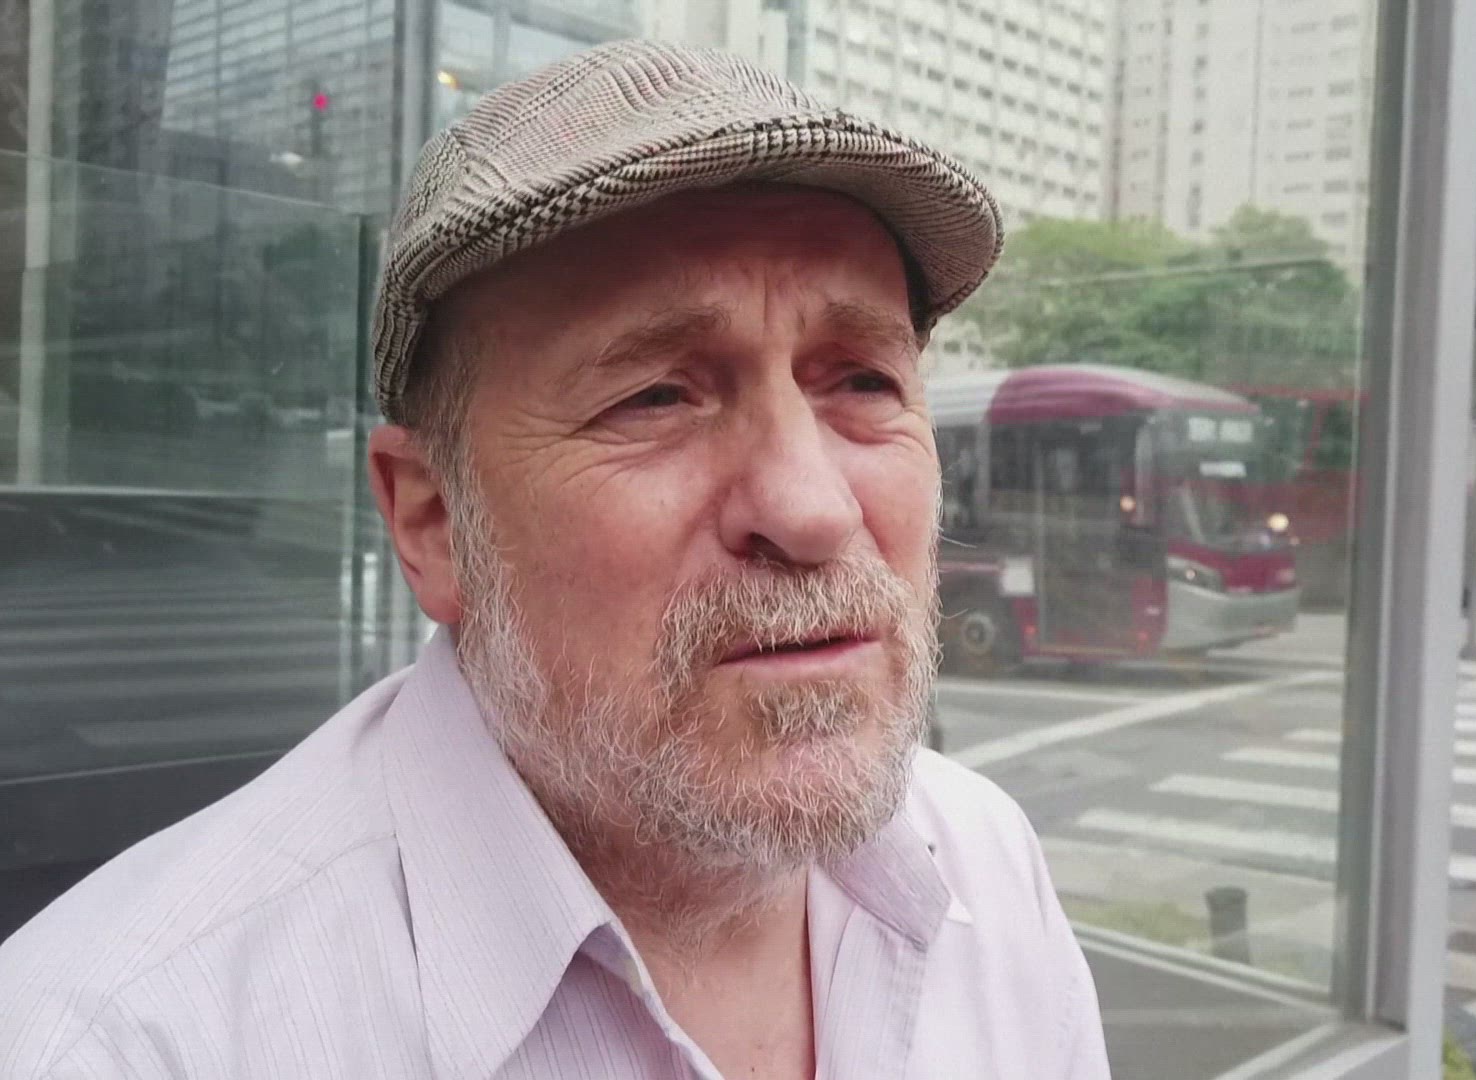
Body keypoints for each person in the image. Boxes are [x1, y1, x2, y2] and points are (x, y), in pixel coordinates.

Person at [0, 43, 1110, 1079]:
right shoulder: (120, 1042)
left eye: (865, 380)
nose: (813, 509)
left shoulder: (986, 867)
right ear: (433, 523)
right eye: (655, 396)